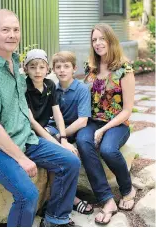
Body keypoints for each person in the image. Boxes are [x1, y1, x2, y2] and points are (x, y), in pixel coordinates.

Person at [0, 9, 81, 227]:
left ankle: (55, 219)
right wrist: (21, 158)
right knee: (27, 195)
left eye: (16, 30)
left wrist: (58, 141)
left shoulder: (14, 65)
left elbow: (24, 114)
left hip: (25, 138)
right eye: (5, 30)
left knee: (70, 162)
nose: (12, 34)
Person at [78, 23, 136, 225]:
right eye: (94, 40)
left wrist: (103, 129)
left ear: (111, 40)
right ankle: (107, 199)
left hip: (117, 123)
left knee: (108, 149)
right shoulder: (91, 67)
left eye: (102, 38)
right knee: (83, 141)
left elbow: (127, 109)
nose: (98, 43)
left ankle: (127, 189)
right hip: (93, 121)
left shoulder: (124, 69)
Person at [46, 51, 94, 215]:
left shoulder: (82, 89)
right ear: (53, 69)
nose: (62, 70)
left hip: (74, 129)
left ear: (74, 68)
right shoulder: (52, 89)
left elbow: (83, 121)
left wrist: (62, 136)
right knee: (51, 148)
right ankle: (67, 199)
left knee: (66, 153)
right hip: (55, 128)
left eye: (66, 66)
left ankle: (68, 199)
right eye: (58, 67)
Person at [24, 49, 78, 155]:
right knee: (62, 152)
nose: (38, 71)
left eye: (41, 67)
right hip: (29, 133)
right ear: (26, 69)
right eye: (32, 67)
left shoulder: (50, 85)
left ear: (47, 69)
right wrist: (59, 146)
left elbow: (57, 113)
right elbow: (32, 122)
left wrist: (63, 139)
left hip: (45, 129)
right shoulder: (24, 88)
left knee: (65, 144)